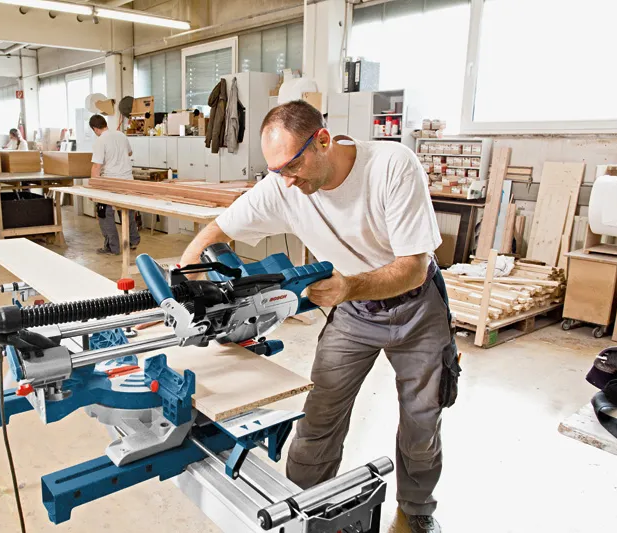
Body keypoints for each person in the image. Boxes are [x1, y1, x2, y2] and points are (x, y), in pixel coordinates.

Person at [178, 100, 459, 533]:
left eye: (291, 168)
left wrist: (349, 286)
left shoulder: (391, 167)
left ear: (323, 141)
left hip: (416, 308)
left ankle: (417, 508)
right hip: (353, 312)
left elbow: (413, 267)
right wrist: (188, 276)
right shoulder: (283, 183)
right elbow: (218, 228)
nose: (286, 183)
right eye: (277, 172)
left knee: (422, 418)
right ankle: (299, 507)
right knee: (320, 415)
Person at [89, 114, 140, 255]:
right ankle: (133, 241)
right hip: (127, 180)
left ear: (95, 129)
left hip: (110, 182)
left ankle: (113, 247)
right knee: (127, 211)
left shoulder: (100, 141)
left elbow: (96, 167)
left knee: (105, 214)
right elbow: (130, 152)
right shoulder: (121, 135)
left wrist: (93, 189)